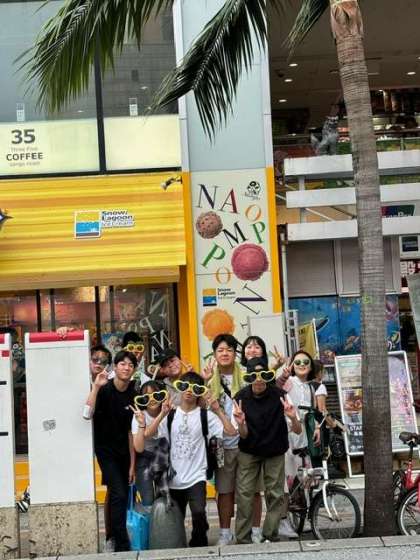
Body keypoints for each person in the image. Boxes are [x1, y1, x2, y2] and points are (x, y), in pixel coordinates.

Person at [146, 371, 237, 547]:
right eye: (184, 386)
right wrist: (162, 414)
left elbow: (231, 432)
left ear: (200, 392)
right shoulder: (170, 415)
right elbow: (149, 434)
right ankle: (178, 545)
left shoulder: (205, 415)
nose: (189, 390)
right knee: (175, 517)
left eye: (195, 388)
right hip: (173, 478)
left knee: (199, 513)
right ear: (179, 388)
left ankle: (199, 544)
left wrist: (217, 410)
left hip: (197, 476)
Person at [232, 357, 301, 544]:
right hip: (249, 451)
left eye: (263, 375)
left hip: (275, 450)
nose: (259, 379)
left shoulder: (281, 395)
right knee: (245, 494)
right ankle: (243, 539)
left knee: (275, 494)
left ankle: (270, 534)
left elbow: (297, 430)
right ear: (248, 377)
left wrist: (293, 418)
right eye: (254, 376)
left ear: (269, 375)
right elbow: (243, 435)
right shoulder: (240, 398)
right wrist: (241, 423)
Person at [203, 333, 263, 545]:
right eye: (220, 350)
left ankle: (255, 531)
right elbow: (201, 408)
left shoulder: (247, 375)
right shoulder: (209, 379)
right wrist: (204, 381)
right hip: (223, 445)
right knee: (225, 491)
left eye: (229, 349)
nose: (225, 353)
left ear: (235, 353)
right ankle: (225, 533)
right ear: (214, 354)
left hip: (248, 443)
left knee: (252, 490)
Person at [83, 350, 137, 552]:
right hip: (106, 452)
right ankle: (121, 543)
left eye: (130, 365)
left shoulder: (133, 394)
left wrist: (132, 465)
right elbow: (86, 414)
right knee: (119, 494)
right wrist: (96, 387)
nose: (126, 367)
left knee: (119, 495)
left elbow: (131, 432)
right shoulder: (104, 389)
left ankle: (113, 537)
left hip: (125, 452)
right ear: (115, 367)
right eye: (122, 364)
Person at [131, 380, 172, 507]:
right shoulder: (139, 416)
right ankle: (148, 520)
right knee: (148, 500)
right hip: (144, 457)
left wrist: (164, 413)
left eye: (156, 395)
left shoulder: (170, 413)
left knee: (164, 500)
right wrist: (143, 424)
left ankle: (162, 521)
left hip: (164, 458)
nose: (152, 399)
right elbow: (139, 447)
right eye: (146, 397)